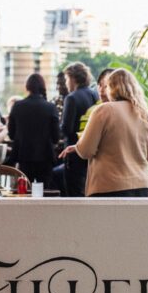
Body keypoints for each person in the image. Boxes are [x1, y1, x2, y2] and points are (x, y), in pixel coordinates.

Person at [59, 68, 148, 197]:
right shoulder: (144, 114)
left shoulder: (104, 110)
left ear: (111, 88)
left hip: (110, 187)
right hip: (142, 187)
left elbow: (86, 151)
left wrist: (78, 146)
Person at [8, 74, 60, 184]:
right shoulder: (51, 107)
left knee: (25, 189)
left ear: (27, 87)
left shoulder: (17, 106)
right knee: (45, 189)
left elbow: (12, 135)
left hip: (24, 156)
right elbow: (56, 137)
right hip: (45, 156)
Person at [56, 62, 99, 197]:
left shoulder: (71, 98)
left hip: (74, 155)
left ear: (73, 78)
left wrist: (57, 124)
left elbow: (66, 129)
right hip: (92, 153)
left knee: (73, 194)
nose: (66, 83)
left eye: (66, 79)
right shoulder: (95, 95)